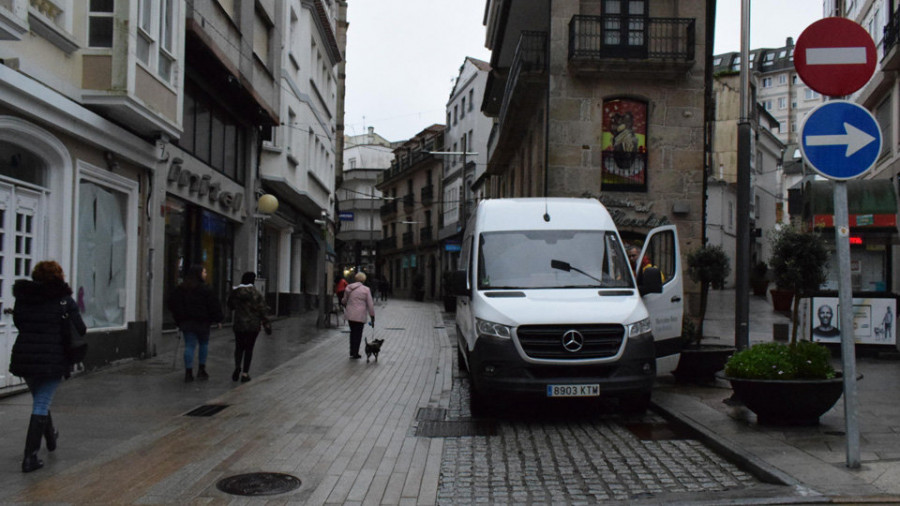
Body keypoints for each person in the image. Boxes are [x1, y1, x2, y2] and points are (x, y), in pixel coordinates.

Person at [9, 260, 87, 473]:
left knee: (40, 399)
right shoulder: (64, 301)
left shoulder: (23, 299)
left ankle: (50, 437)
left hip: (26, 356)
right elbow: (80, 328)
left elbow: (19, 323)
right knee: (42, 403)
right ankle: (30, 457)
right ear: (58, 276)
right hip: (53, 358)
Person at [167, 264, 224, 382]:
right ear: (199, 274)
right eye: (204, 272)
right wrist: (218, 319)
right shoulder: (206, 289)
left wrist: (179, 319)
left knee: (189, 345)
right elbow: (213, 305)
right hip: (203, 322)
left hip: (187, 322)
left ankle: (188, 372)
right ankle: (201, 369)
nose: (206, 274)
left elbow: (173, 304)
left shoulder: (181, 289)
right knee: (203, 344)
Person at [227, 272, 270, 383]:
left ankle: (237, 366)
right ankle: (245, 373)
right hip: (253, 325)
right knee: (249, 349)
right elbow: (262, 310)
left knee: (239, 347)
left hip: (239, 324)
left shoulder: (236, 292)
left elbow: (230, 305)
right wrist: (266, 324)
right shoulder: (256, 294)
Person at [342, 272, 375, 359]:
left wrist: (346, 304)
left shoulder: (349, 288)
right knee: (358, 334)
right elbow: (370, 304)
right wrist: (372, 316)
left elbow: (344, 300)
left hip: (350, 314)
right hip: (360, 315)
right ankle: (356, 352)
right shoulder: (366, 289)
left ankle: (352, 351)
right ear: (363, 279)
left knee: (352, 333)